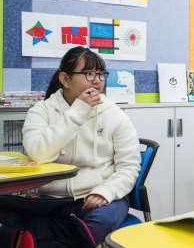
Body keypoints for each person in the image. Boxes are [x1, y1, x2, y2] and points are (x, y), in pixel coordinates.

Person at [21, 46, 141, 245]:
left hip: (99, 196)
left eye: (101, 74)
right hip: (53, 198)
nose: (97, 80)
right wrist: (77, 113)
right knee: (11, 214)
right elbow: (38, 153)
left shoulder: (114, 114)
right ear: (65, 79)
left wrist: (105, 192)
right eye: (89, 73)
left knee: (100, 221)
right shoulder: (41, 111)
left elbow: (129, 166)